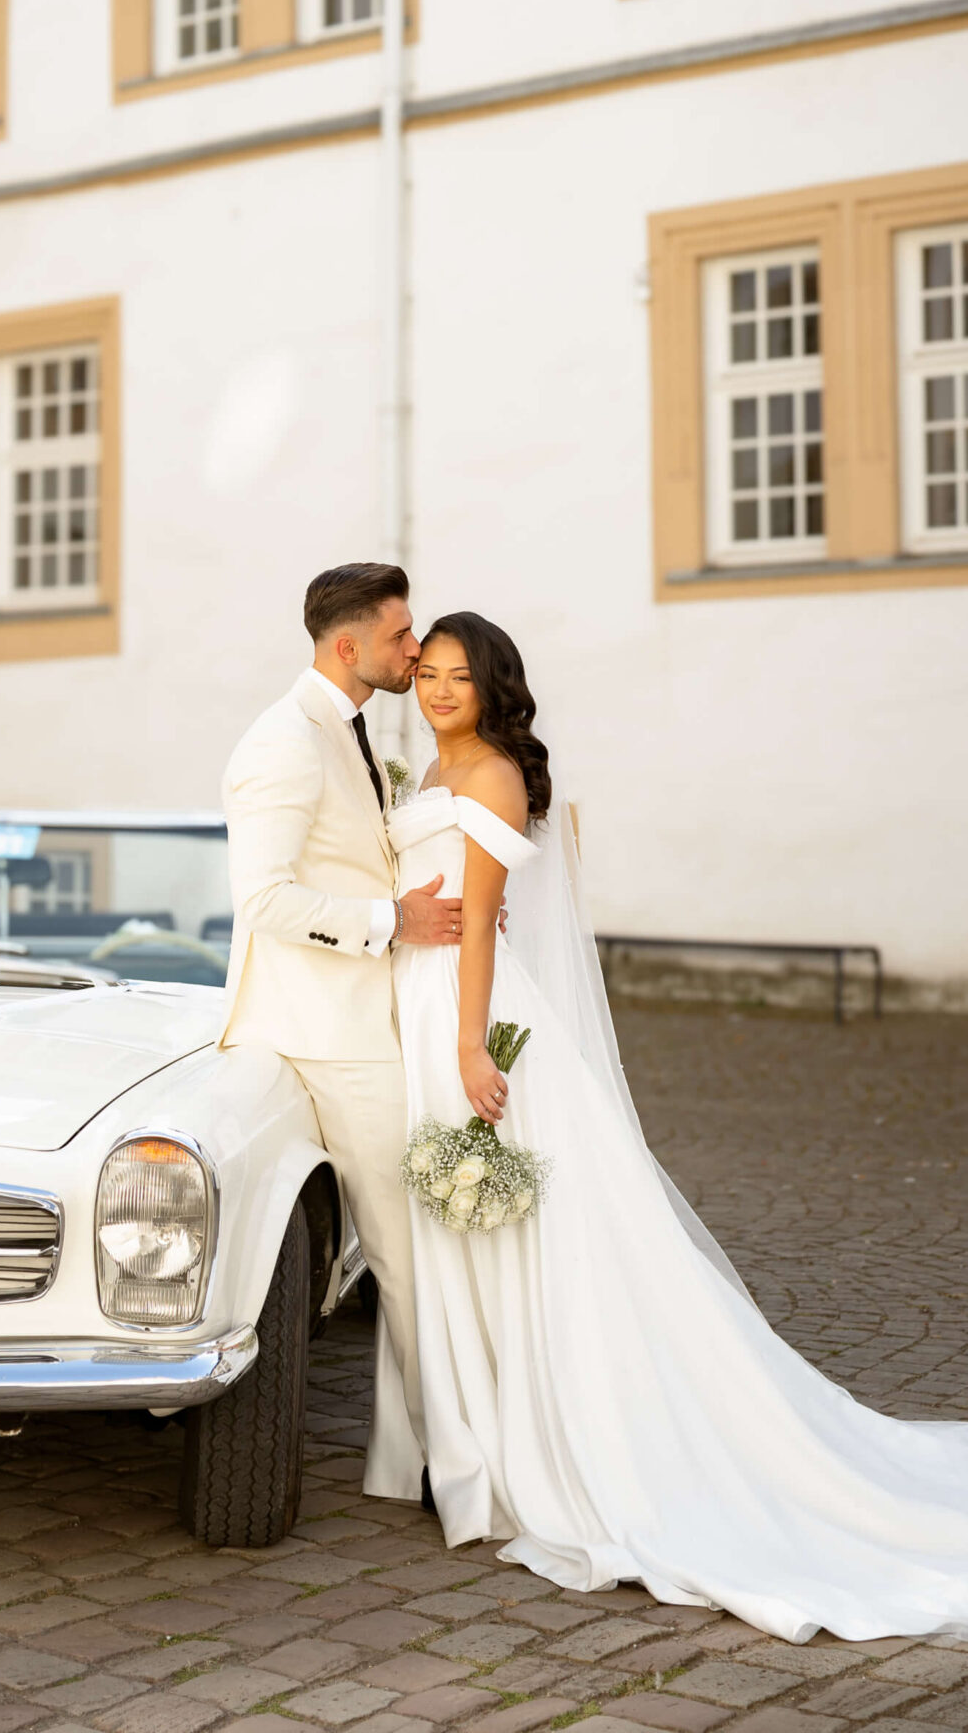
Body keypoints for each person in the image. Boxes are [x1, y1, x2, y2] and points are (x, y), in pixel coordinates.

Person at [391, 608, 968, 1642]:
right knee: (464, 1230)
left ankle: (555, 1439)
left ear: (492, 687)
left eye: (458, 676)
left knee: (532, 1232)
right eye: (427, 670)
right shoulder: (433, 772)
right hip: (423, 1001)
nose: (437, 689)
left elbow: (479, 924)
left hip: (470, 1014)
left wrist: (471, 1046)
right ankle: (475, 1427)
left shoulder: (492, 777)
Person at [218, 561, 461, 1501]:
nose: (415, 649)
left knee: (408, 1254)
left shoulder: (345, 729)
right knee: (403, 1256)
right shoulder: (283, 742)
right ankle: (451, 1464)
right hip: (325, 1036)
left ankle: (419, 1458)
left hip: (362, 1023)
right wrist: (391, 922)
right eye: (401, 636)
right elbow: (264, 899)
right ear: (347, 645)